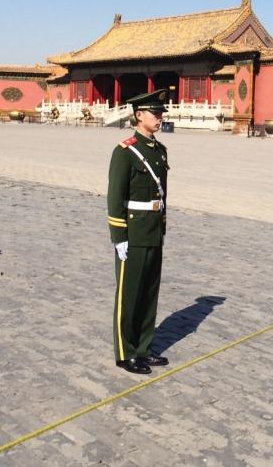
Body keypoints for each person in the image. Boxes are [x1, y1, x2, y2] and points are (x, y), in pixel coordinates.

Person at [108, 89, 171, 374]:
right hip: (133, 233)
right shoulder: (125, 151)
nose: (159, 118)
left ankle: (144, 347)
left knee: (148, 293)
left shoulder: (159, 150)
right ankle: (126, 352)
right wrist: (119, 237)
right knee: (129, 294)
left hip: (153, 230)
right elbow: (115, 197)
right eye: (155, 113)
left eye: (160, 113)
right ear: (139, 115)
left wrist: (162, 225)